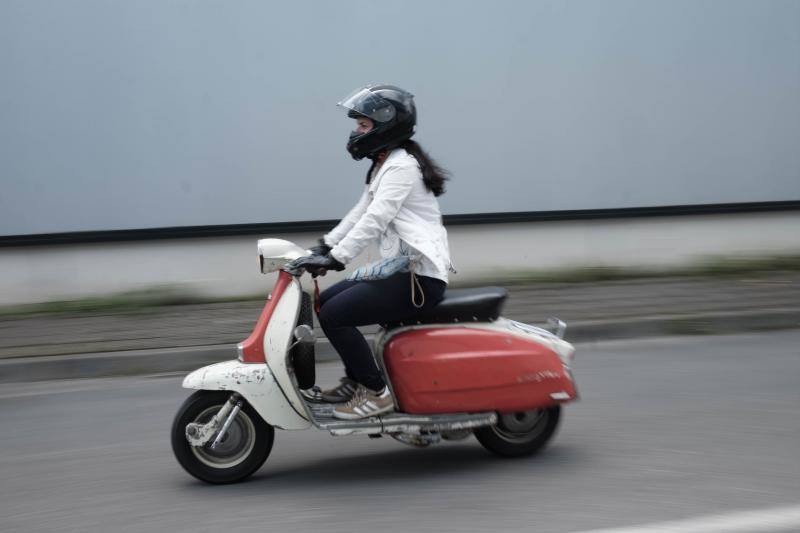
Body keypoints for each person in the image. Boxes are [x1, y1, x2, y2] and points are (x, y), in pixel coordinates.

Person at [289, 84, 453, 420]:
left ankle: (376, 393)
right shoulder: (385, 164)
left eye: (363, 125)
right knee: (325, 303)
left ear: (386, 125)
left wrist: (337, 258)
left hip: (420, 280)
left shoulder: (402, 167)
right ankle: (356, 380)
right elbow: (360, 211)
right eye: (358, 125)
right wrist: (325, 246)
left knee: (336, 316)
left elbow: (376, 220)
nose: (356, 132)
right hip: (402, 272)